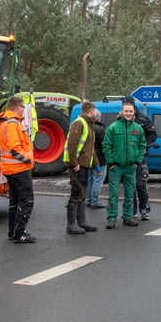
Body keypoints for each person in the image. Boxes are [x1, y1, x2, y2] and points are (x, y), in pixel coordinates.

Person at [0, 95, 37, 243]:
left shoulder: (3, 121)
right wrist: (28, 159)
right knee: (26, 201)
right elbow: (14, 148)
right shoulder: (12, 123)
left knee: (15, 201)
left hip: (9, 168)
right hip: (19, 168)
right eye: (23, 107)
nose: (24, 110)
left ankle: (13, 231)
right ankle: (20, 232)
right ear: (18, 107)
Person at [102, 98, 146, 229]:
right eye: (126, 111)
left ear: (134, 112)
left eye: (130, 111)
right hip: (116, 167)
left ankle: (128, 216)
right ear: (122, 112)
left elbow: (142, 145)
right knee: (113, 194)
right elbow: (106, 146)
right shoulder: (113, 128)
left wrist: (137, 161)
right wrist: (111, 162)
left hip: (130, 167)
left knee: (130, 193)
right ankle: (111, 218)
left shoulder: (138, 129)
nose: (128, 113)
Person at [63, 100, 99, 234]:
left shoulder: (89, 124)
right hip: (77, 165)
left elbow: (90, 148)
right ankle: (71, 225)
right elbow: (72, 144)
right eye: (95, 110)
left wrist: (96, 165)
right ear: (91, 111)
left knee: (82, 192)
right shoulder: (79, 123)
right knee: (77, 191)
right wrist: (74, 163)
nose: (95, 113)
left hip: (84, 164)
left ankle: (81, 222)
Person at [128, 97, 157, 221]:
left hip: (141, 158)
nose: (127, 110)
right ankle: (132, 210)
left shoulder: (143, 119)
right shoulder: (122, 120)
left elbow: (153, 134)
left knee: (141, 185)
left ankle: (144, 209)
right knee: (130, 186)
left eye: (129, 106)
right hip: (127, 159)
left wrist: (145, 146)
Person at [85, 108, 107, 210]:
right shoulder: (100, 129)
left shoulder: (86, 127)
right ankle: (95, 201)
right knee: (98, 180)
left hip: (88, 158)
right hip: (99, 159)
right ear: (97, 117)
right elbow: (104, 146)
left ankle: (88, 200)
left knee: (90, 180)